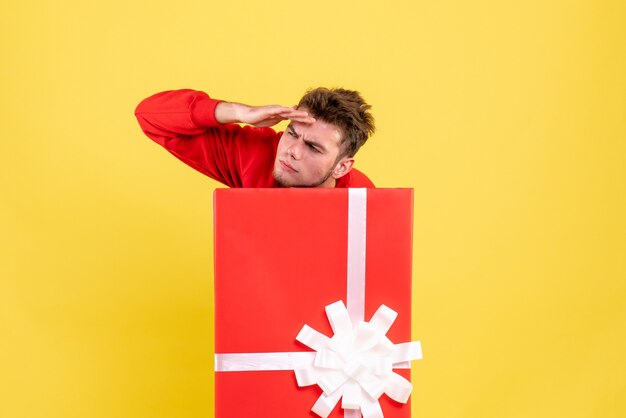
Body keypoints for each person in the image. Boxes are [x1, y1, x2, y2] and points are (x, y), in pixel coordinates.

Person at [135, 87, 376, 188]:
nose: (293, 150)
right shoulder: (256, 154)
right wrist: (239, 113)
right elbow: (149, 116)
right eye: (292, 133)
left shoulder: (363, 200)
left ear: (342, 167)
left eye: (313, 147)